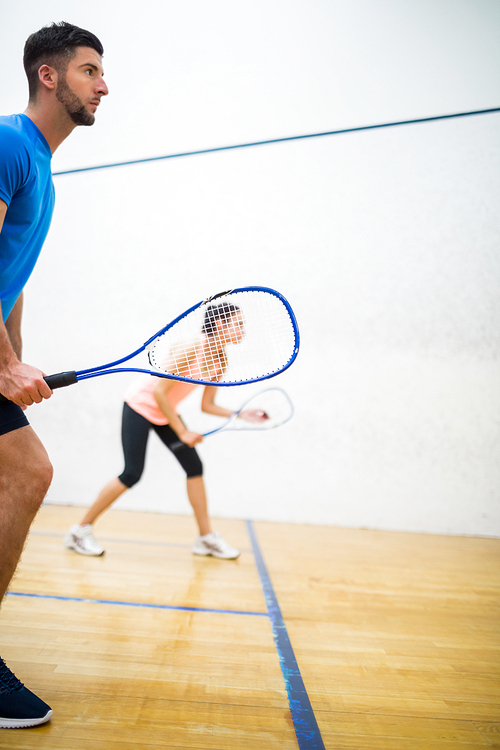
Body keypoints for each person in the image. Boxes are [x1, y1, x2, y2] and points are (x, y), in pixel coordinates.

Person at [0, 22, 108, 728]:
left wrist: (17, 353)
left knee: (22, 472)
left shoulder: (38, 162)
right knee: (28, 472)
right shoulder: (10, 142)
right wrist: (5, 366)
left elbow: (11, 280)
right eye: (90, 70)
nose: (104, 85)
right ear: (49, 75)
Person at [64, 302, 268, 559]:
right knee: (132, 473)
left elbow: (207, 405)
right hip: (140, 406)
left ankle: (205, 539)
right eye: (239, 324)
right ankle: (79, 531)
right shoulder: (192, 347)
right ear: (220, 324)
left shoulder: (220, 359)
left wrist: (240, 414)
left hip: (165, 411)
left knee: (194, 467)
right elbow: (160, 392)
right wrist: (182, 432)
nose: (243, 330)